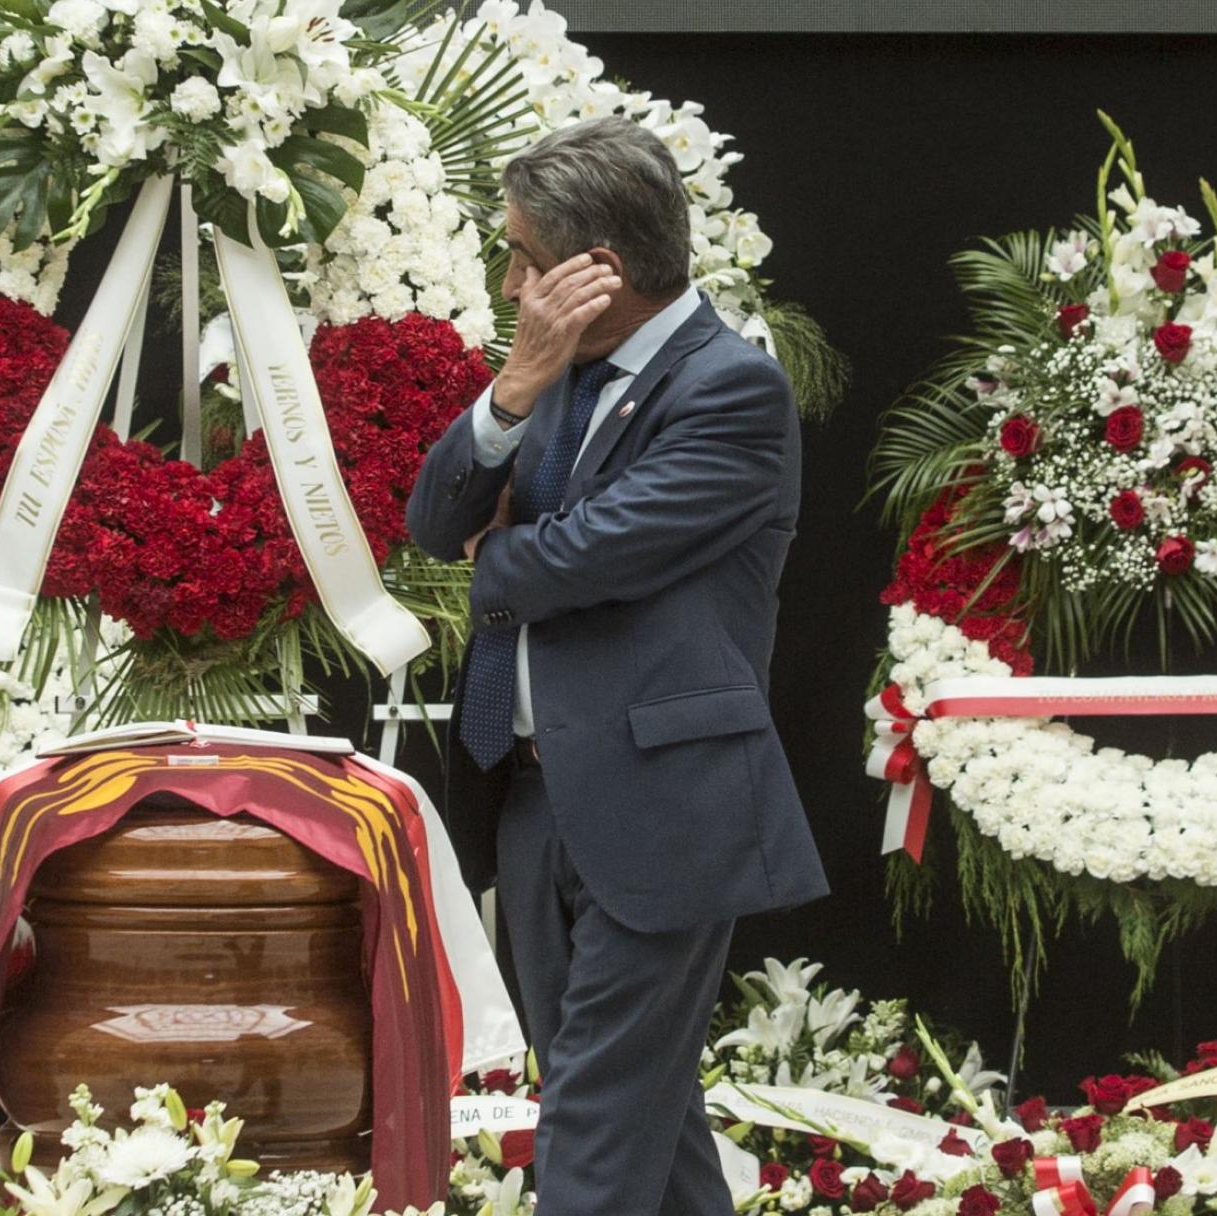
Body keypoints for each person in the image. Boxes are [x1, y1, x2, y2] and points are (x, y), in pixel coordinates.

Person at [405, 116, 828, 1214]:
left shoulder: (731, 389)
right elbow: (433, 520)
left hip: (659, 806)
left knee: (593, 1127)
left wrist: (500, 549)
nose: (511, 283)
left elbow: (578, 559)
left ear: (601, 268)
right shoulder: (553, 371)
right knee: (643, 1118)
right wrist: (512, 390)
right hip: (533, 797)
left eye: (525, 259)